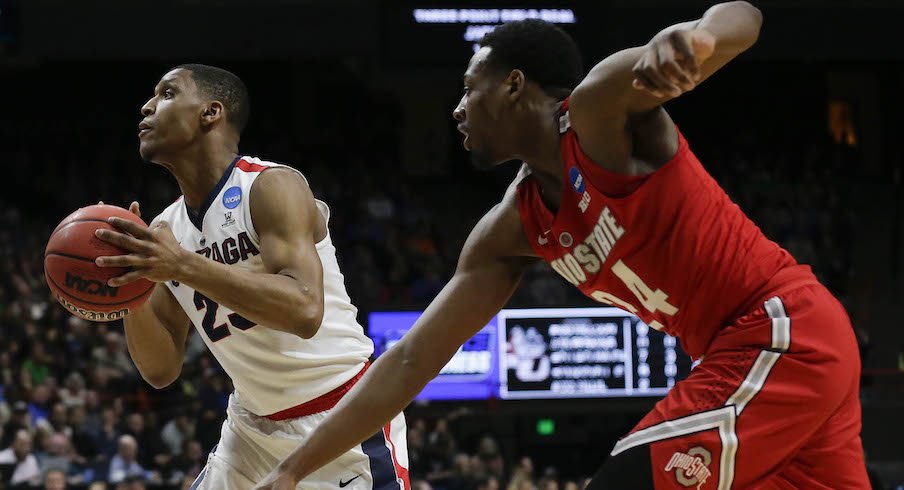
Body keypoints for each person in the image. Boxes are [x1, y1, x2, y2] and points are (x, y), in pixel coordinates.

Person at [255, 3, 869, 489]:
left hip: (778, 329)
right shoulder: (511, 230)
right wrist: (293, 469)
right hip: (734, 356)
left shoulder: (600, 111)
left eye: (471, 89)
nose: (458, 109)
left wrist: (702, 36)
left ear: (515, 85)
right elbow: (412, 361)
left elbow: (747, 16)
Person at [94, 64, 408, 489]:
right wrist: (129, 290)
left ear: (211, 112)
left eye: (167, 93)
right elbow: (161, 368)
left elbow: (304, 310)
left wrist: (182, 265)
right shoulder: (166, 229)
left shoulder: (273, 187)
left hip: (343, 418)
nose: (146, 107)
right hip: (249, 429)